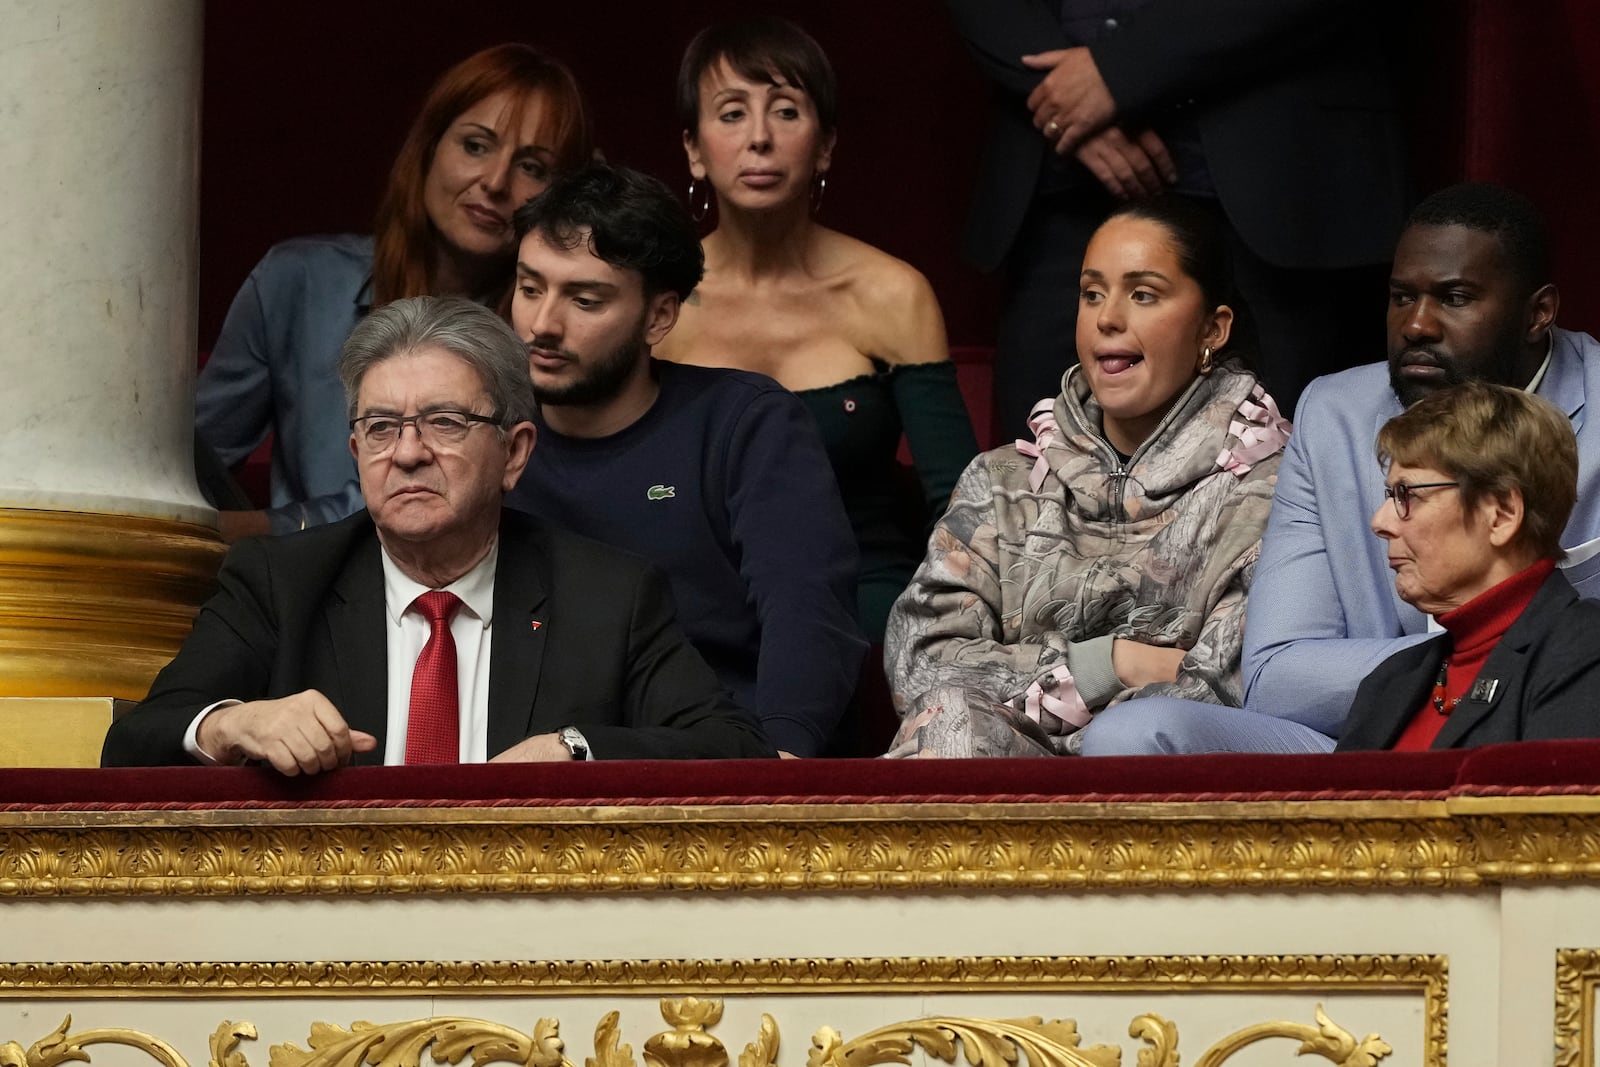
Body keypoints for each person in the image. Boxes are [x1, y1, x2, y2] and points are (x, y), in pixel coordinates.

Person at [103, 297, 772, 773]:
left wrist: (574, 747)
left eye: (446, 422)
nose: (409, 452)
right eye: (383, 427)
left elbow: (737, 746)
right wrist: (232, 723)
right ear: (357, 448)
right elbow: (135, 742)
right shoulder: (280, 582)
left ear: (514, 452)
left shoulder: (608, 596)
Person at [1076, 182, 1600, 756]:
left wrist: (1500, 667)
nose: (1418, 325)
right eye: (1402, 297)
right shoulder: (1334, 413)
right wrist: (1457, 668)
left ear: (1539, 312)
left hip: (1549, 721)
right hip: (1368, 735)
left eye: (1454, 298)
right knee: (1131, 736)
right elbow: (1278, 676)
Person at [883, 196, 1289, 757]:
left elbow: (1233, 685)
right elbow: (920, 663)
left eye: (1143, 294)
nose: (1107, 318)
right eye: (1092, 293)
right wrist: (1113, 664)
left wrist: (1040, 691)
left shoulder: (1272, 491)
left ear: (1213, 329)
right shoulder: (1003, 480)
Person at [503, 163, 866, 759]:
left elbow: (807, 609)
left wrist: (776, 769)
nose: (543, 325)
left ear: (659, 317)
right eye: (530, 288)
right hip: (543, 769)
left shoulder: (746, 423)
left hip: (722, 758)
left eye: (585, 300)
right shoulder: (486, 433)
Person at [945, 0, 1408, 438]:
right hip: (1061, 184)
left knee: (1280, 473)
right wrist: (1064, 98)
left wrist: (1116, 71)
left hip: (1280, 181)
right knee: (1041, 477)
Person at [655, 15, 979, 640]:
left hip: (867, 594)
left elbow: (962, 505)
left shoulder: (891, 293)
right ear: (693, 149)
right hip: (700, 595)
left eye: (785, 111)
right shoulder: (659, 302)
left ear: (825, 144)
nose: (759, 138)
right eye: (730, 113)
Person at [196, 44, 593, 542]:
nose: (494, 181)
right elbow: (194, 458)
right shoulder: (299, 280)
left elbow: (441, 507)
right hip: (294, 594)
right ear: (428, 149)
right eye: (475, 145)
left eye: (532, 167)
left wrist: (264, 529)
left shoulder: (545, 331)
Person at [1338, 382, 1600, 749]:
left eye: (1406, 494)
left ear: (1501, 515)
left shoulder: (1585, 651)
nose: (1380, 522)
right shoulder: (1388, 683)